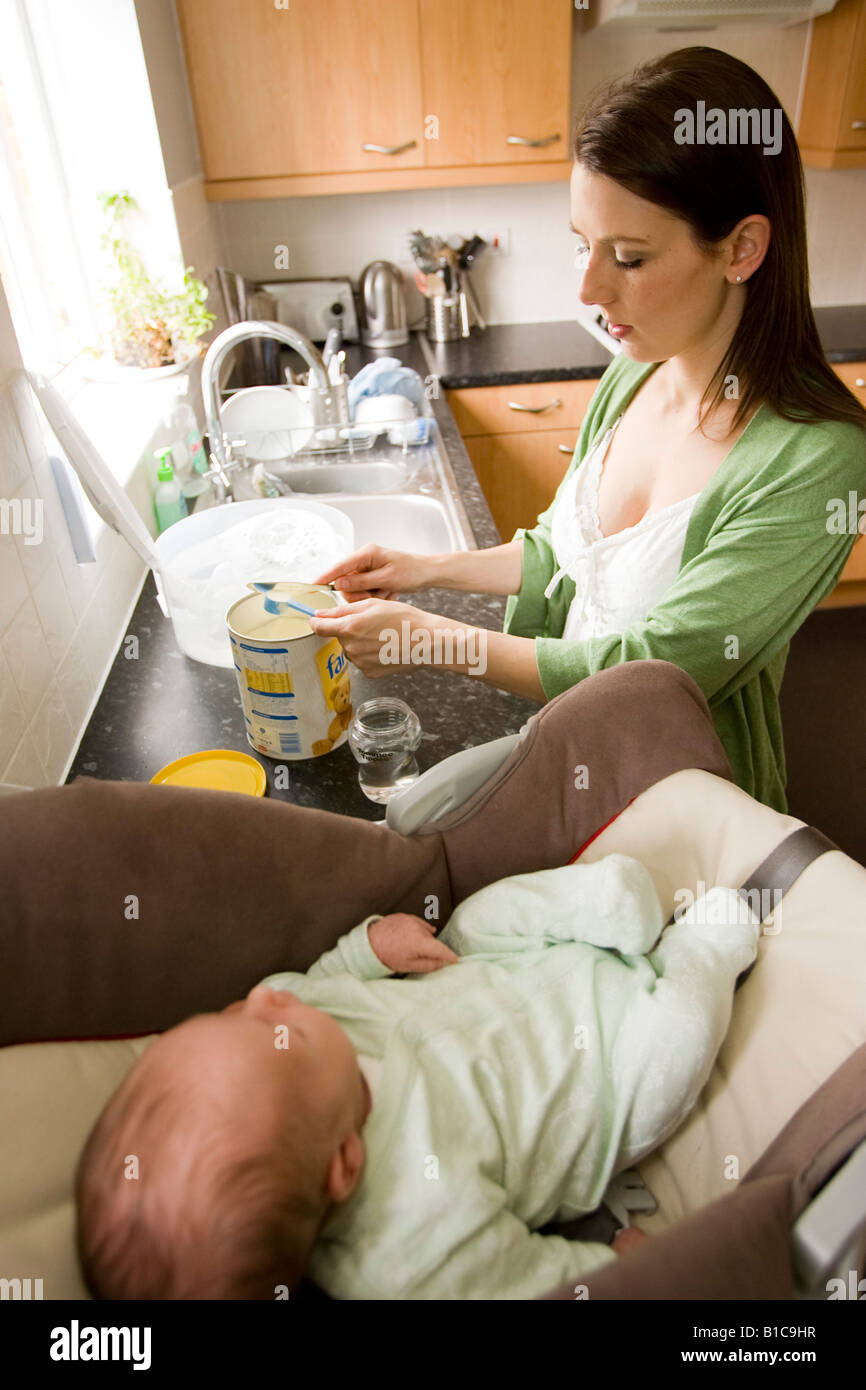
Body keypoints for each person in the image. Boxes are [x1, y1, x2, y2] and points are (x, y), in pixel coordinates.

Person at [310, 47, 866, 814]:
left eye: (629, 257)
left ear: (742, 249)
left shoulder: (819, 463)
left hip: (685, 805)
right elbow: (562, 555)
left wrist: (429, 639)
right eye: (584, 244)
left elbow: (654, 668)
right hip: (569, 753)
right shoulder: (637, 368)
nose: (589, 288)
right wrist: (421, 569)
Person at [76, 853, 760, 1301]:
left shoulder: (297, 1023)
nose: (266, 999)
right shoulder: (410, 1252)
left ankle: (611, 906)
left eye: (229, 1014)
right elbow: (523, 1286)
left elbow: (319, 982)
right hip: (605, 1067)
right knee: (675, 1048)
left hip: (491, 968)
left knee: (474, 922)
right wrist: (622, 1274)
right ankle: (701, 953)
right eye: (265, 1030)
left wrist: (368, 948)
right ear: (345, 1163)